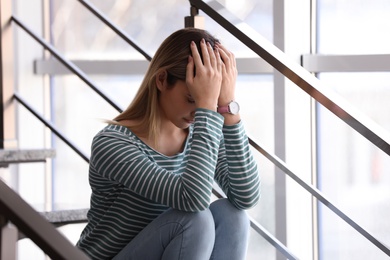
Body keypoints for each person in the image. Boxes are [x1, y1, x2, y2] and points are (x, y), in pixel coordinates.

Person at [76, 27, 261, 260]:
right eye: (192, 99)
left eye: (209, 101)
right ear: (162, 80)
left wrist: (228, 107)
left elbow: (246, 197)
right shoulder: (112, 144)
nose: (199, 112)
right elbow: (192, 199)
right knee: (195, 220)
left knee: (233, 214)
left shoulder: (198, 133)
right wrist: (207, 109)